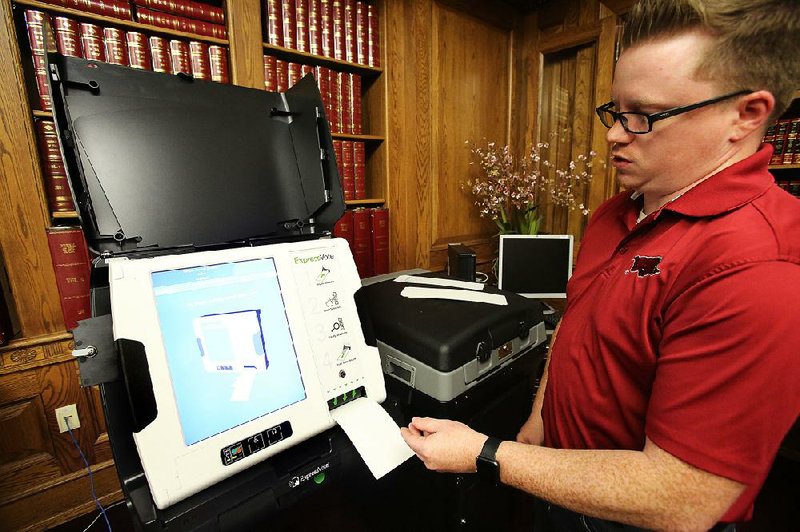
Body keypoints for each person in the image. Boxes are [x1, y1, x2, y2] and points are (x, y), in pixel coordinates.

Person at [400, 0, 800, 529]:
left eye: (644, 116)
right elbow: (577, 318)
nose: (614, 135)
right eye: (614, 111)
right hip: (558, 477)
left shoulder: (758, 267)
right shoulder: (621, 208)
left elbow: (684, 498)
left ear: (745, 114)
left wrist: (486, 454)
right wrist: (538, 424)